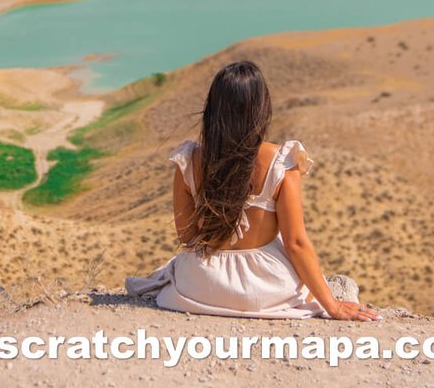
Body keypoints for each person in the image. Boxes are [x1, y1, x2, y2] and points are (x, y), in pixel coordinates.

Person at [125, 60, 378, 321]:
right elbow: (296, 243)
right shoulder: (281, 161)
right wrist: (333, 306)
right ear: (261, 108)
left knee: (171, 269)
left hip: (201, 285)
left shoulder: (188, 161)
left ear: (212, 110)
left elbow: (187, 236)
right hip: (266, 289)